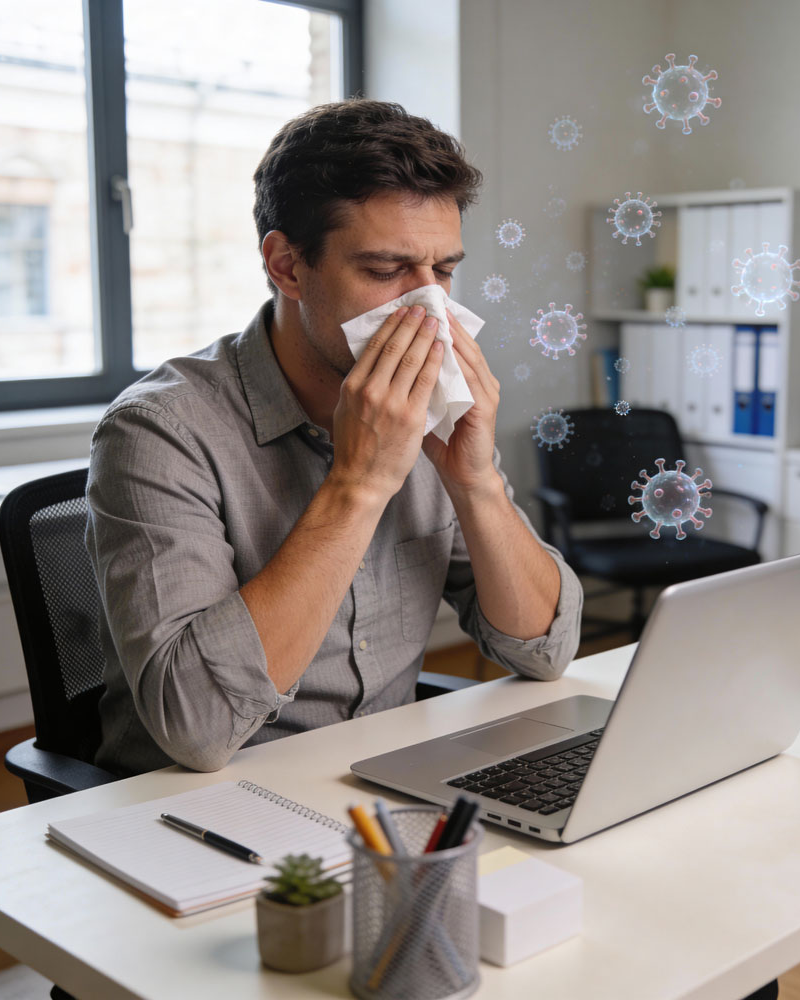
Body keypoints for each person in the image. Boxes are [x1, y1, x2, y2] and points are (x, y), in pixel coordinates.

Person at [85, 99, 584, 776]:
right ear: (287, 266)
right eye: (385, 271)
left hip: (382, 784)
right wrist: (360, 483)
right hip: (201, 804)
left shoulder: (435, 411)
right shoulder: (160, 431)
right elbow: (196, 728)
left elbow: (543, 651)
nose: (431, 308)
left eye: (443, 271)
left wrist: (477, 484)